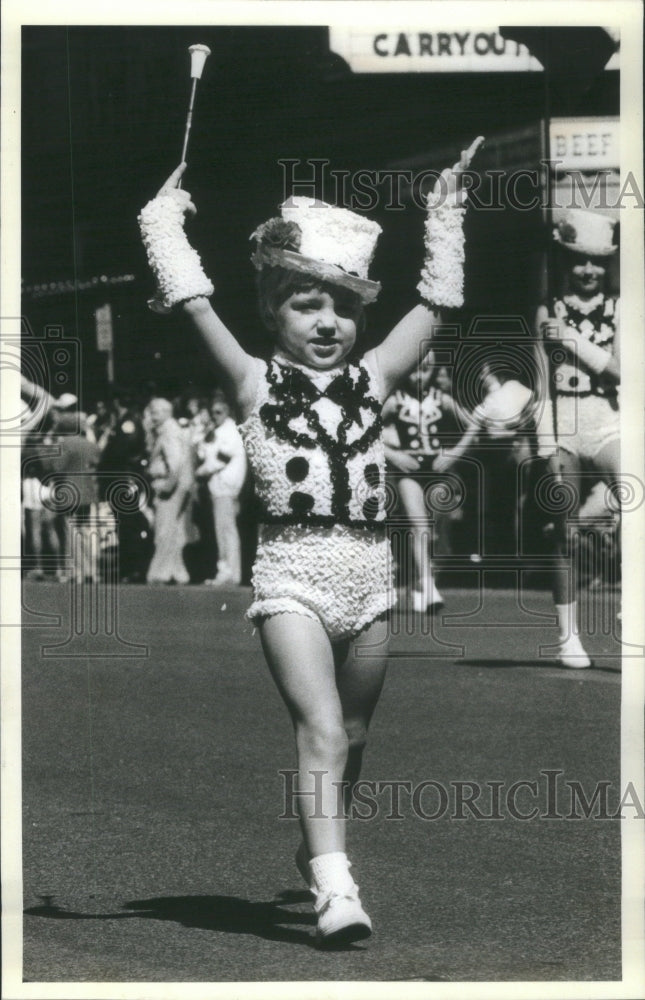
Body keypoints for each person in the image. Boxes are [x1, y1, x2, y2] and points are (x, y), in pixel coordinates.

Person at [138, 137, 483, 945]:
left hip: (370, 574)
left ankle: (312, 850)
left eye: (343, 308)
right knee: (321, 729)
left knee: (354, 737)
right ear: (270, 311)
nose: (328, 323)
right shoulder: (253, 381)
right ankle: (336, 891)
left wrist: (444, 213)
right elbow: (192, 300)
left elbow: (437, 304)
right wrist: (161, 223)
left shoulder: (378, 378)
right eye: (304, 305)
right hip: (291, 573)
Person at [534, 208, 620, 668]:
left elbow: (623, 371)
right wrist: (547, 447)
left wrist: (570, 338)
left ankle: (632, 611)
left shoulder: (621, 308)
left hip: (607, 421)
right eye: (579, 260)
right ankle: (568, 636)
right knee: (563, 532)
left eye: (597, 262)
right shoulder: (547, 310)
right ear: (565, 260)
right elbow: (540, 386)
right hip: (564, 424)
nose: (588, 270)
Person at [382, 351, 467, 611]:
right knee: (419, 527)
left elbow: (474, 426)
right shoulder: (395, 400)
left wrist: (454, 453)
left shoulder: (442, 399)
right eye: (415, 369)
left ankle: (420, 583)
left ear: (433, 371)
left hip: (438, 470)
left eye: (426, 369)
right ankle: (428, 586)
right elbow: (363, 428)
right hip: (410, 471)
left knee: (434, 531)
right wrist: (394, 454)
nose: (420, 375)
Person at [195, 392, 247, 586]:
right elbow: (203, 452)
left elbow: (220, 460)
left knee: (226, 530)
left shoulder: (230, 430)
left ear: (227, 411)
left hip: (226, 486)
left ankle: (230, 572)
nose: (215, 415)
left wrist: (200, 472)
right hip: (217, 487)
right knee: (222, 529)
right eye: (212, 412)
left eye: (219, 412)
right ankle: (225, 570)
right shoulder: (216, 431)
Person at [145, 397, 194, 585]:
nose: (152, 416)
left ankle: (160, 573)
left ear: (166, 413)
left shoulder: (168, 432)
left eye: (155, 412)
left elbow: (175, 462)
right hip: (179, 485)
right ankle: (178, 572)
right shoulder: (172, 429)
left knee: (164, 529)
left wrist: (168, 486)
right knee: (173, 530)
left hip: (169, 484)